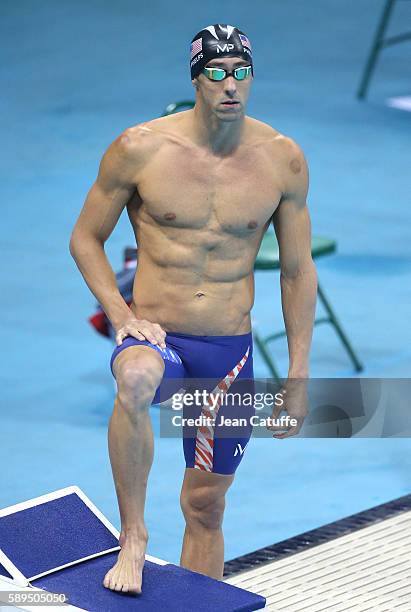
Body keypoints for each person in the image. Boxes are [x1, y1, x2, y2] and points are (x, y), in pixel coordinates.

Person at [69, 23, 317, 595]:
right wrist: (122, 314)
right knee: (135, 379)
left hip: (228, 352)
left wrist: (298, 375)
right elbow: (86, 238)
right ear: (197, 78)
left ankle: (199, 605)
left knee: (205, 506)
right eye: (217, 72)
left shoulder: (282, 160)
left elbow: (298, 270)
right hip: (159, 336)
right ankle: (134, 536)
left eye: (241, 72)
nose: (231, 85)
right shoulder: (140, 149)